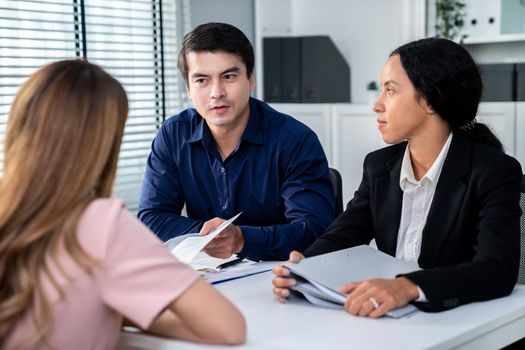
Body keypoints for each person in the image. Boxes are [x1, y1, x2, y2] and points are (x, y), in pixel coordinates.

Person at [0, 60, 245, 349]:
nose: (216, 92)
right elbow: (229, 327)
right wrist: (123, 312)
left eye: (228, 76)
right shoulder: (100, 223)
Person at [272, 37, 523, 317]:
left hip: (452, 318)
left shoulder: (494, 171)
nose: (376, 105)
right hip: (388, 319)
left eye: (390, 91)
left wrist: (410, 287)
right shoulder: (379, 167)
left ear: (429, 100)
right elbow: (343, 235)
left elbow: (497, 269)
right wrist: (305, 265)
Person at [138, 22, 334, 261]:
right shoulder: (172, 135)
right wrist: (209, 236)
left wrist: (241, 240)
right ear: (189, 88)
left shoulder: (295, 141)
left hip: (278, 273)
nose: (216, 92)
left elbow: (314, 230)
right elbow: (151, 217)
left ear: (250, 79)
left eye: (228, 76)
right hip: (208, 274)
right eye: (202, 80)